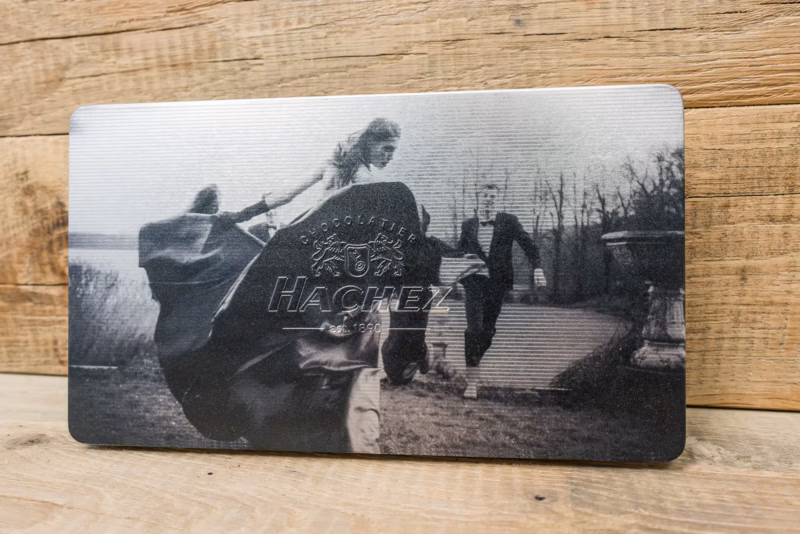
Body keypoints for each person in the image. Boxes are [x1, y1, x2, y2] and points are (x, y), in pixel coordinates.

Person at [142, 118, 421, 453]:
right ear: (370, 144)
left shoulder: (349, 173)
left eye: (394, 150)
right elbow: (290, 194)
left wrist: (243, 214)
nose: (390, 156)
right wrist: (242, 215)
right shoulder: (364, 181)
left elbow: (290, 195)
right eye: (387, 148)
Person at [452, 183, 547, 399]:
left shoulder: (508, 221)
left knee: (487, 332)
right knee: (473, 329)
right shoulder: (468, 225)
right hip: (474, 283)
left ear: (497, 200)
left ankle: (474, 361)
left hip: (498, 284)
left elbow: (529, 245)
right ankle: (472, 382)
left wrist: (538, 268)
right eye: (485, 196)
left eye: (492, 197)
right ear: (479, 198)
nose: (488, 200)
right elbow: (458, 251)